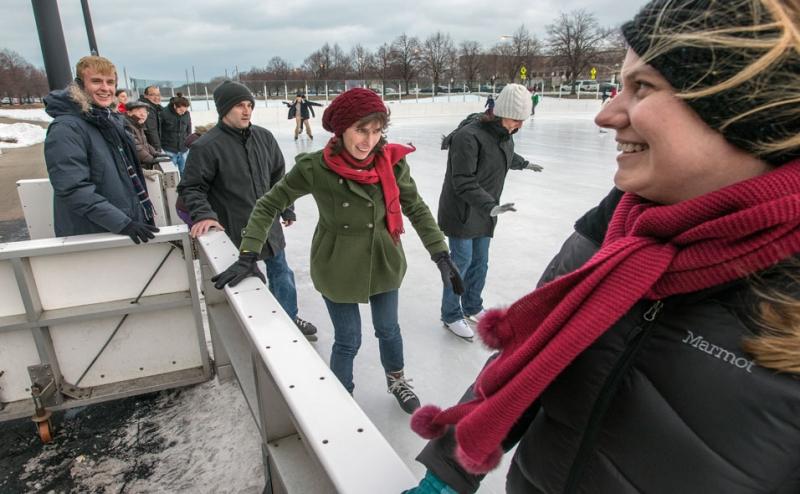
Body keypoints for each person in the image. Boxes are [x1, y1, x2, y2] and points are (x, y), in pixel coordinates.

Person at [407, 0, 800, 492]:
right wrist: (450, 468)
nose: (606, 114)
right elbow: (529, 357)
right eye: (621, 83)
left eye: (643, 87)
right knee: (464, 265)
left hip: (484, 218)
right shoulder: (612, 225)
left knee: (478, 267)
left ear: (745, 110)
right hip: (464, 218)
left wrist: (521, 173)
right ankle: (455, 309)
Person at [211, 88, 464, 414]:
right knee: (348, 339)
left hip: (383, 259)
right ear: (341, 129)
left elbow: (416, 208)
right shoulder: (316, 168)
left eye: (376, 131)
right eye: (361, 130)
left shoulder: (392, 163)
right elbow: (268, 204)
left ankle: (396, 379)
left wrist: (440, 254)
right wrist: (248, 254)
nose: (368, 141)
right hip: (337, 264)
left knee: (389, 329)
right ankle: (342, 394)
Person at [177, 80, 318, 341]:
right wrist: (205, 214)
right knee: (246, 282)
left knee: (282, 275)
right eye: (239, 105)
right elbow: (191, 188)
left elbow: (280, 178)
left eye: (249, 105)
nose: (246, 111)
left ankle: (288, 318)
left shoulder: (264, 137)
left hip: (268, 224)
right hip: (234, 228)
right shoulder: (206, 146)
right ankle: (257, 331)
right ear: (223, 109)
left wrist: (286, 208)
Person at [436, 83, 543, 340]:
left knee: (480, 262)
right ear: (501, 111)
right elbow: (462, 180)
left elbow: (505, 154)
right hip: (462, 211)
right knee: (460, 263)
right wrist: (490, 205)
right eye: (517, 118)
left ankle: (472, 305)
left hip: (486, 211)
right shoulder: (468, 137)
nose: (520, 124)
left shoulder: (503, 135)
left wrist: (525, 164)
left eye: (523, 120)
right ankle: (450, 315)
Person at [43, 56, 158, 244]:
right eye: (96, 81)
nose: (105, 88)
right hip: (95, 233)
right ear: (80, 85)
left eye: (110, 82)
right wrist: (122, 223)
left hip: (120, 224)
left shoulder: (108, 120)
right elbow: (72, 187)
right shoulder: (67, 128)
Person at [123, 99, 164, 173]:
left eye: (145, 112)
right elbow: (135, 146)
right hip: (136, 167)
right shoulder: (127, 126)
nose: (143, 114)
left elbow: (144, 143)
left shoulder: (138, 125)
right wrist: (151, 159)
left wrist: (154, 152)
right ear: (129, 113)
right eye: (139, 111)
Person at [160, 93, 192, 174]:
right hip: (169, 150)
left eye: (185, 110)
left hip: (184, 149)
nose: (183, 112)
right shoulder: (163, 113)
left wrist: (188, 143)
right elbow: (158, 131)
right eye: (181, 110)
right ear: (175, 106)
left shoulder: (187, 114)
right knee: (171, 175)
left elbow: (189, 129)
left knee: (185, 173)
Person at [138, 85, 163, 151]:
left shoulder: (155, 107)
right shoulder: (147, 108)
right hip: (149, 148)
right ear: (145, 96)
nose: (156, 97)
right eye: (152, 95)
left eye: (158, 95)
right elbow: (151, 131)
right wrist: (157, 149)